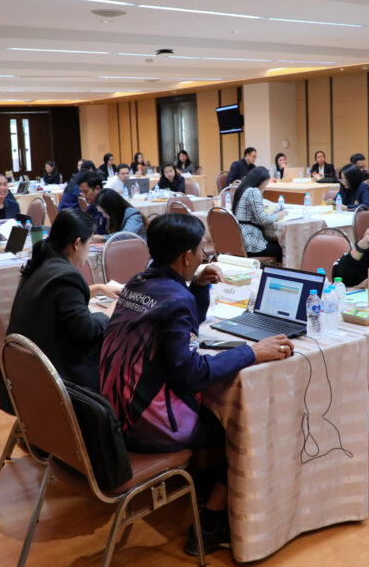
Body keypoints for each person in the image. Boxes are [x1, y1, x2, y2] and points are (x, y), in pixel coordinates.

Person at [99, 213, 293, 556]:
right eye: (203, 247)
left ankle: (201, 487)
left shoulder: (139, 283)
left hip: (115, 410)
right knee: (239, 426)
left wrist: (197, 288)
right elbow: (190, 374)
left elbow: (182, 330)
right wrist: (252, 352)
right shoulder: (176, 299)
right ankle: (211, 522)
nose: (206, 253)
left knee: (213, 407)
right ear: (187, 256)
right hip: (145, 424)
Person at [5, 210, 120, 397]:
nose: (89, 249)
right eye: (89, 243)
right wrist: (110, 312)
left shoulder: (42, 262)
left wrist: (98, 288)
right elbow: (87, 331)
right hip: (57, 375)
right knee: (120, 354)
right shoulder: (67, 275)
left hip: (24, 369)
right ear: (77, 243)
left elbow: (54, 296)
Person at [231, 166, 283, 261]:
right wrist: (278, 215)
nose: (266, 186)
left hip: (240, 240)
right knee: (282, 249)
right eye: (266, 182)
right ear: (262, 181)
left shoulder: (242, 189)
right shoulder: (254, 191)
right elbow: (263, 220)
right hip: (251, 242)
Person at [75, 172, 108, 236]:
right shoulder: (91, 208)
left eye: (86, 192)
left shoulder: (109, 206)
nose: (83, 195)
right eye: (82, 192)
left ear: (97, 188)